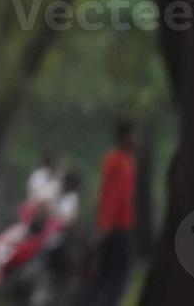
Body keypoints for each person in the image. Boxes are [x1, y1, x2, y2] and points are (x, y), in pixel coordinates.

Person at [85, 121, 138, 306]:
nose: (135, 140)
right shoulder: (116, 162)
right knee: (116, 276)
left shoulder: (128, 162)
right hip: (115, 228)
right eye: (132, 135)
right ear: (122, 137)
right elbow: (111, 197)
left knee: (106, 275)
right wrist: (104, 227)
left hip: (121, 226)